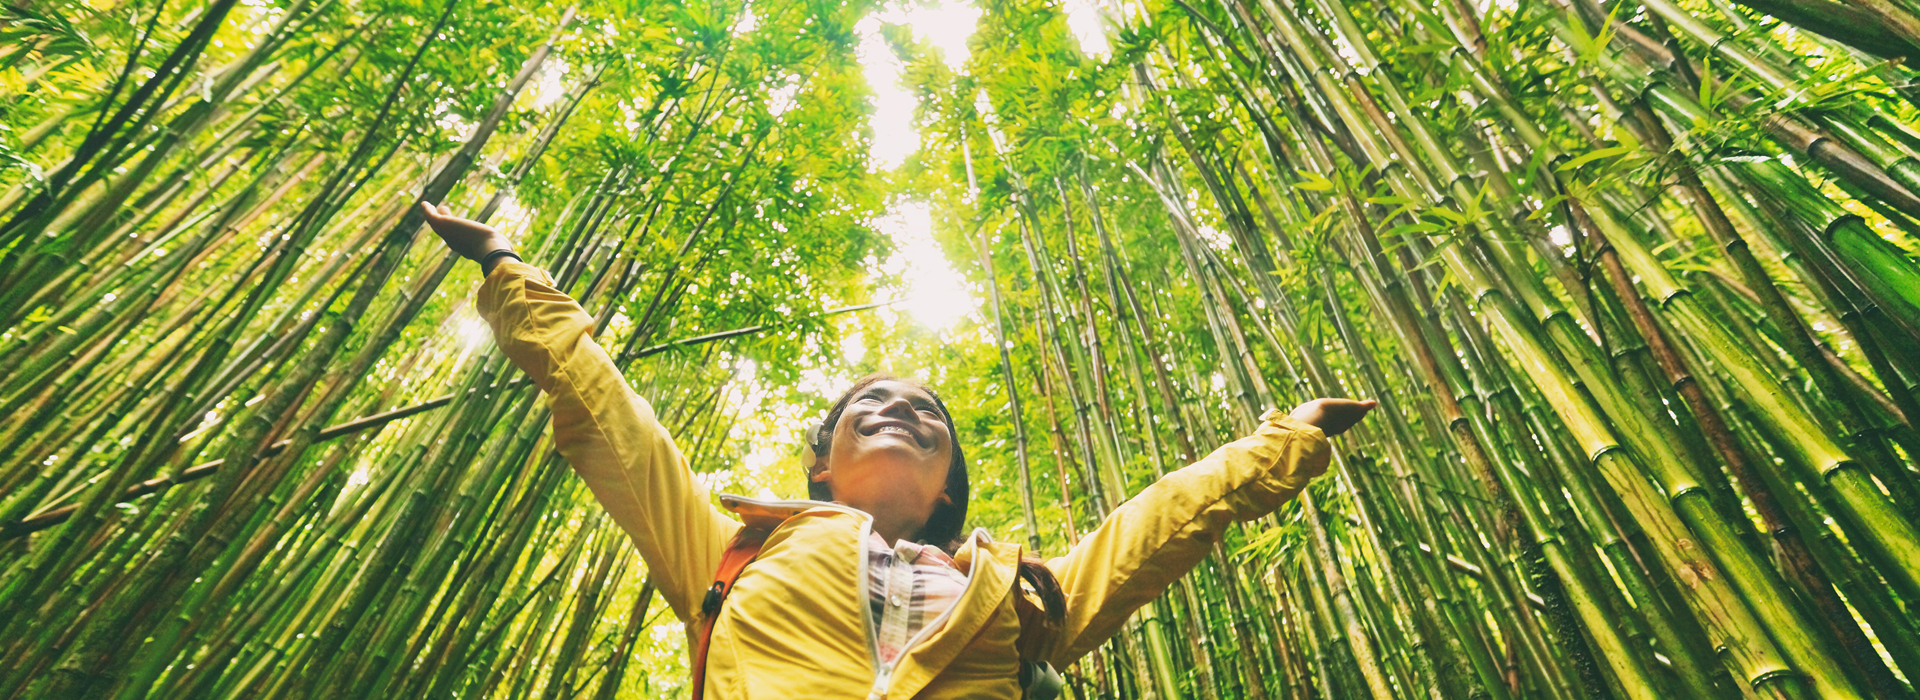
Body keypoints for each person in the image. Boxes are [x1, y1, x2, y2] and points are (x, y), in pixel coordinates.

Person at [420, 201, 1376, 699]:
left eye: (926, 410)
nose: (897, 408)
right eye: (866, 403)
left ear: (950, 480)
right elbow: (608, 413)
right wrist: (510, 269)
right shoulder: (727, 549)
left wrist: (1286, 439)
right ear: (820, 465)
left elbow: (1163, 518)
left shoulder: (1027, 597)